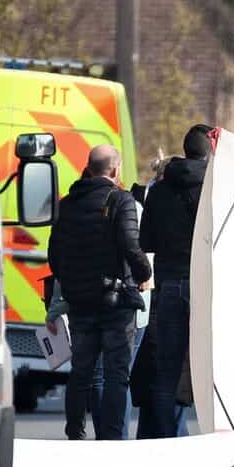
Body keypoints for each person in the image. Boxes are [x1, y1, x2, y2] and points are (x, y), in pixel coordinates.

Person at [48, 145, 152, 441]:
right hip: (116, 303)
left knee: (81, 370)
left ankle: (75, 434)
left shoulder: (66, 204)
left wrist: (71, 282)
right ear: (116, 169)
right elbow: (130, 243)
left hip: (80, 302)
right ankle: (111, 440)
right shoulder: (121, 199)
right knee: (117, 374)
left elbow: (54, 255)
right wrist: (144, 274)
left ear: (89, 167)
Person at [139, 124, 213, 439]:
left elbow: (146, 241)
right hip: (206, 287)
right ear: (210, 150)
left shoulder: (159, 189)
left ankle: (168, 444)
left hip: (169, 284)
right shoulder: (216, 187)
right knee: (214, 372)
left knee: (166, 372)